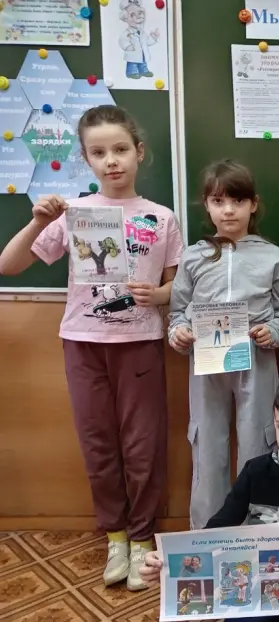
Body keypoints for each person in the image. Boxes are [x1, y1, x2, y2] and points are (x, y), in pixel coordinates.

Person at [0, 104, 183, 591]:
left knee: (142, 447)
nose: (111, 161)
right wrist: (38, 221)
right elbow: (8, 265)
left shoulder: (161, 218)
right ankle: (116, 536)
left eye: (120, 149)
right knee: (98, 444)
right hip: (83, 343)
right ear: (86, 159)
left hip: (139, 343)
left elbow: (176, 287)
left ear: (139, 152)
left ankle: (142, 537)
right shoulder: (75, 213)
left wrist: (157, 296)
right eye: (99, 153)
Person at [139, 363, 279, 622]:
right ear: (273, 420)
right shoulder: (256, 470)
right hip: (256, 594)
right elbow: (217, 528)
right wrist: (167, 562)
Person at [168, 159, 279, 529]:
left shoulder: (272, 255)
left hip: (256, 359)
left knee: (258, 445)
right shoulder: (194, 256)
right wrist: (180, 333)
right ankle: (208, 534)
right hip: (207, 361)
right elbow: (177, 313)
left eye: (237, 201)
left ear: (253, 204)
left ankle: (258, 534)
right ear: (206, 205)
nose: (228, 210)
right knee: (207, 444)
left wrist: (274, 332)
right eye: (218, 201)